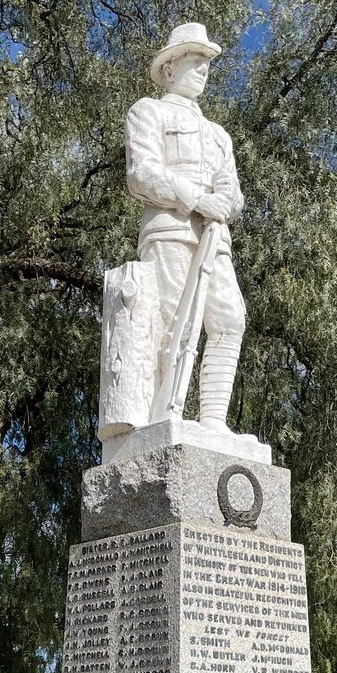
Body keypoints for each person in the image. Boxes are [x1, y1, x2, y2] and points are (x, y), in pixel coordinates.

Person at [124, 23, 246, 428]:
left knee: (230, 320)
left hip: (214, 237)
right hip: (169, 229)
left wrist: (227, 200)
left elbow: (235, 198)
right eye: (195, 60)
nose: (203, 68)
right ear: (170, 68)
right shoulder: (148, 111)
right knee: (172, 322)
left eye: (207, 62)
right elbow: (142, 174)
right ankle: (164, 416)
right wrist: (197, 199)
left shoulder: (219, 135)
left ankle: (213, 422)